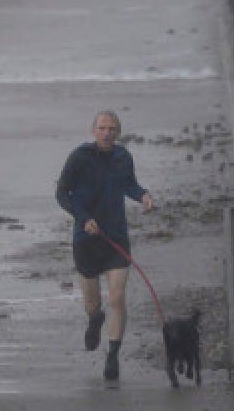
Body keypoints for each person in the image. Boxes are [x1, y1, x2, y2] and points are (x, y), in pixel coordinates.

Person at [55, 110, 155, 381]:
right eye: (102, 128)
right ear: (93, 130)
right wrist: (83, 218)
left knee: (117, 297)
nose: (107, 133)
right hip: (86, 238)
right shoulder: (79, 157)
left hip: (116, 237)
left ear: (118, 132)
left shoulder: (123, 157)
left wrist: (143, 195)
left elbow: (129, 185)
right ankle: (94, 318)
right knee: (93, 302)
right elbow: (62, 194)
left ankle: (113, 356)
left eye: (112, 128)